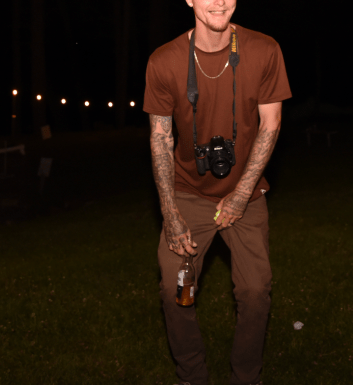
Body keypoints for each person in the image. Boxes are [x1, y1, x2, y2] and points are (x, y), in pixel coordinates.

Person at [143, 1, 290, 384]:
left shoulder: (265, 49)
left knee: (256, 292)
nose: (219, 2)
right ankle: (192, 375)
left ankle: (246, 376)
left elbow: (271, 123)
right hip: (188, 192)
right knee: (175, 290)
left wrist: (241, 194)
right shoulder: (163, 60)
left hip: (248, 190)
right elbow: (160, 137)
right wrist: (170, 214)